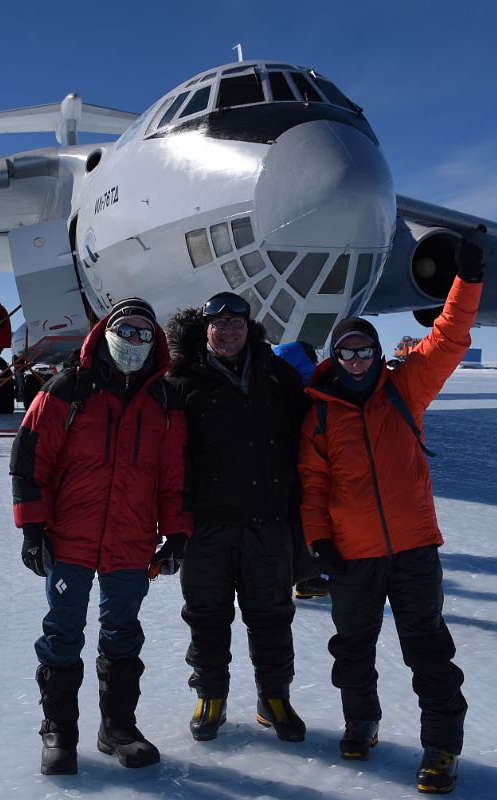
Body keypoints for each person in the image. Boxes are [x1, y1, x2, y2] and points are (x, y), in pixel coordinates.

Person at [298, 237, 483, 795]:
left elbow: (448, 338)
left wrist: (466, 282)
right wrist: (318, 540)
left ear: (379, 354)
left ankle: (441, 748)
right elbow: (313, 485)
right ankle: (362, 721)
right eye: (348, 352)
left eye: (366, 351)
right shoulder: (320, 416)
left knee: (427, 648)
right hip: (353, 554)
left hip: (414, 549)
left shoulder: (405, 388)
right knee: (352, 646)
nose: (357, 361)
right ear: (336, 356)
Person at [10, 297, 191, 776]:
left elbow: (176, 477)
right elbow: (31, 459)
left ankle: (117, 729)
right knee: (62, 631)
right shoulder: (68, 389)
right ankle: (59, 734)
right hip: (69, 537)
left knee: (123, 632)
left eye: (143, 333)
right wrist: (32, 528)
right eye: (125, 330)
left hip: (131, 541)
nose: (133, 341)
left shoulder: (165, 401)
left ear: (155, 342)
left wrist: (175, 534)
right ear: (106, 333)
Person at [165, 291, 310, 744]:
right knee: (206, 616)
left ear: (250, 329)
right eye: (218, 326)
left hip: (268, 523)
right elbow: (165, 458)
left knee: (272, 615)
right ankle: (211, 696)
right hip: (207, 525)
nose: (227, 333)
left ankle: (275, 697)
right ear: (205, 329)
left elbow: (310, 442)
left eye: (236, 325)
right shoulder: (182, 380)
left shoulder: (277, 375)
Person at [273, 338, 327, 600]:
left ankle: (299, 581)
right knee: (306, 523)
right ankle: (307, 580)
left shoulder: (270, 375)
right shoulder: (309, 383)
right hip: (304, 467)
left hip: (278, 471)